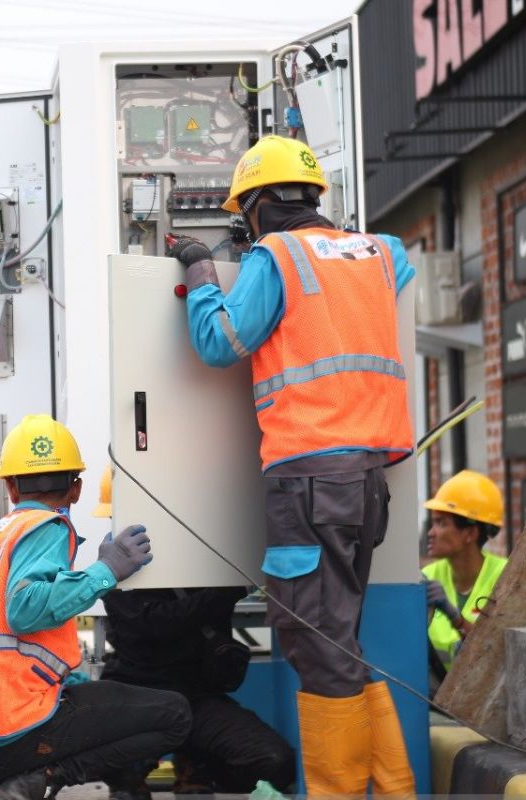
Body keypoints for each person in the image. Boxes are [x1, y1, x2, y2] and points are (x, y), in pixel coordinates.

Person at [169, 135, 416, 796]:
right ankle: (391, 792)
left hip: (309, 480)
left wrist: (199, 274)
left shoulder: (274, 255)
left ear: (255, 207)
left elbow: (222, 342)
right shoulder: (377, 252)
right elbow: (396, 270)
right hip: (366, 481)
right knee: (341, 646)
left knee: (313, 645)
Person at [0, 414, 192, 800]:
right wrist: (106, 571)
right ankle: (45, 779)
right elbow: (23, 609)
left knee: (97, 700)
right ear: (76, 489)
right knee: (175, 715)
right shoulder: (49, 527)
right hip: (10, 726)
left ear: (10, 488)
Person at [93, 467, 296, 794]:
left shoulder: (204, 556)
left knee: (275, 762)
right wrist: (231, 589)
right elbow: (156, 623)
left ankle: (197, 764)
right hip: (136, 695)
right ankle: (135, 773)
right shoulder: (110, 570)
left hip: (197, 699)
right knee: (114, 770)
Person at [422, 470, 507, 672]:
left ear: (470, 533)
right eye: (433, 522)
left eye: (441, 523)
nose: (431, 533)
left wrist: (454, 617)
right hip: (436, 699)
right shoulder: (428, 576)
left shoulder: (507, 577)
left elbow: (499, 650)